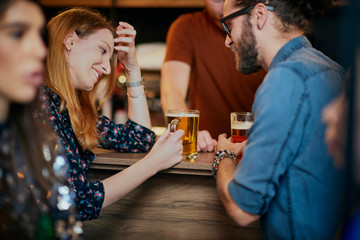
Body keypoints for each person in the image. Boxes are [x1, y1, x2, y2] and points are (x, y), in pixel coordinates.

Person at [213, 0, 346, 239]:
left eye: (229, 25)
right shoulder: (333, 70)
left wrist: (223, 155)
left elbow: (241, 209)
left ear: (259, 15)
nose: (227, 40)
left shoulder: (285, 79)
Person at [39, 8, 184, 221]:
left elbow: (139, 138)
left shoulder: (75, 113)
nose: (108, 69)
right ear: (70, 42)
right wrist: (153, 163)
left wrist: (132, 68)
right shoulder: (39, 103)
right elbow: (76, 202)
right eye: (103, 50)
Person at [0, 0, 82, 239]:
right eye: (17, 33)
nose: (39, 49)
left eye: (39, 35)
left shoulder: (40, 140)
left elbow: (67, 230)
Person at [161, 0, 265, 152]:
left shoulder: (264, 33)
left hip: (259, 150)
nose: (224, 4)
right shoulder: (187, 27)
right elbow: (171, 92)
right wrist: (189, 133)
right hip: (208, 150)